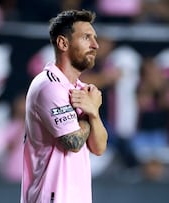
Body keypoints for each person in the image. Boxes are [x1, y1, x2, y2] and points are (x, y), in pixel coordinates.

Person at [20, 10, 108, 203]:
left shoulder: (82, 90)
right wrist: (89, 112)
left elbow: (99, 147)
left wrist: (93, 113)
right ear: (63, 43)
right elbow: (73, 142)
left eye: (94, 38)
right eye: (86, 37)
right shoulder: (48, 86)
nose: (95, 45)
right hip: (51, 197)